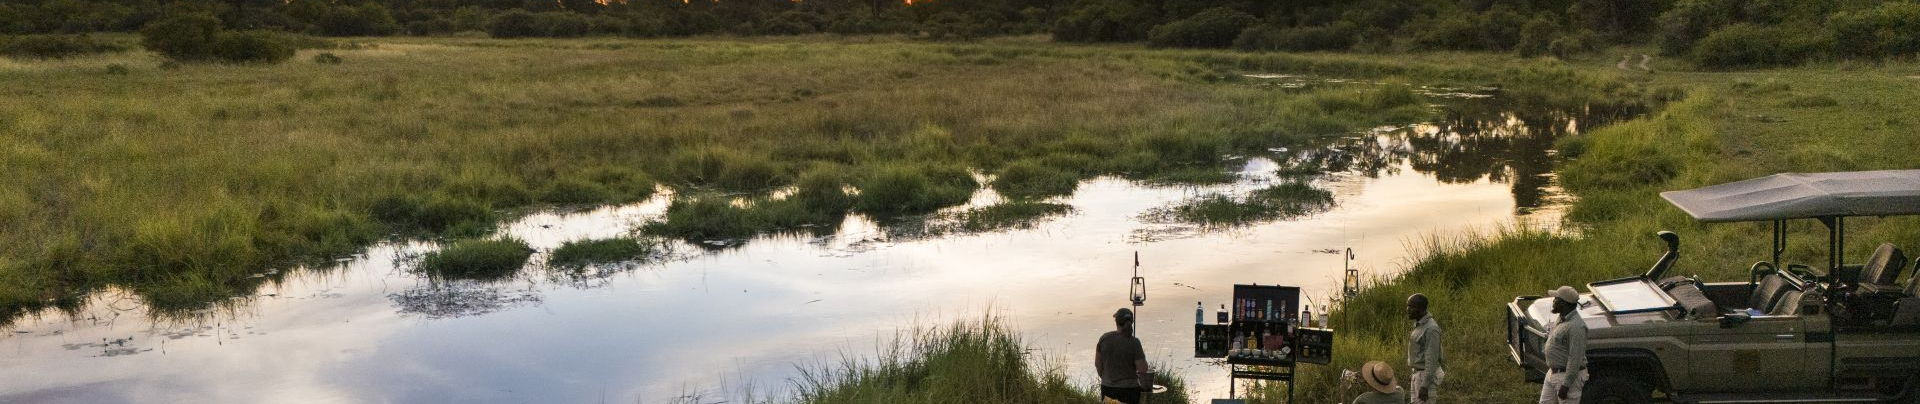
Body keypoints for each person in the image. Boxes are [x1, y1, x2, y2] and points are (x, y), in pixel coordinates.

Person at [1539, 286, 1589, 404]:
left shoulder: (1576, 327)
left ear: (1564, 303)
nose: (1553, 301)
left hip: (1567, 378)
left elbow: (1575, 358)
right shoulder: (1562, 318)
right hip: (1552, 373)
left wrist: (1566, 385)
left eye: (1556, 299)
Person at [1096, 308, 1153, 404]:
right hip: (1130, 391)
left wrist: (1106, 379)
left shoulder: (1104, 338)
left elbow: (1097, 364)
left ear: (1116, 322)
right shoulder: (1134, 342)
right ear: (1132, 322)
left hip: (1108, 389)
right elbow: (1143, 369)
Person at [1406, 293, 1444, 404]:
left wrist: (1425, 385)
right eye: (1407, 306)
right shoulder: (1420, 325)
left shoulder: (1431, 328)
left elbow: (1431, 359)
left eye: (1411, 306)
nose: (1407, 309)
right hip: (1418, 375)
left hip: (1425, 377)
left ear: (1421, 308)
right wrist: (1414, 373)